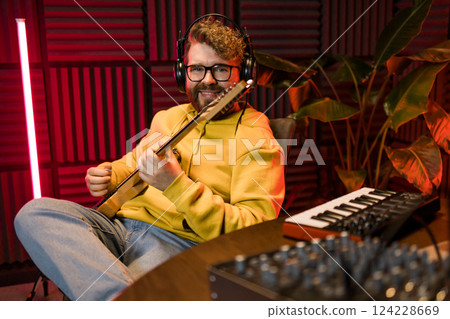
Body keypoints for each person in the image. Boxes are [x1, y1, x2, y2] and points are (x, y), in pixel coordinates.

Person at [14, 15, 285, 301]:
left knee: (144, 287)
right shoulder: (168, 118)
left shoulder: (256, 135)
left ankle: (118, 299)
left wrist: (175, 184)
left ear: (241, 73)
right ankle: (124, 298)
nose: (206, 79)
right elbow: (131, 164)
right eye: (196, 69)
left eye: (219, 69)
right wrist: (109, 175)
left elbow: (255, 231)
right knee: (35, 214)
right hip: (117, 228)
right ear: (183, 73)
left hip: (177, 244)